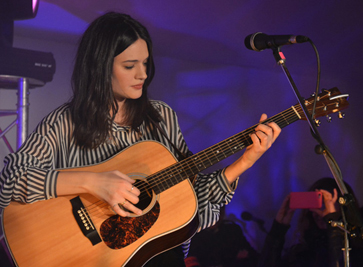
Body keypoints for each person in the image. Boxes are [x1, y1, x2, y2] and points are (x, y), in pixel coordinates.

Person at [0, 12, 281, 266]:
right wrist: (93, 181)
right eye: (130, 65)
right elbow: (10, 181)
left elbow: (188, 198)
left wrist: (244, 162)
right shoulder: (65, 122)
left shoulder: (161, 117)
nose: (143, 74)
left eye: (145, 63)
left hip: (154, 256)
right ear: (101, 67)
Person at [258, 177, 358, 267]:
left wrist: (333, 224)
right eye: (318, 203)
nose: (321, 212)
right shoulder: (301, 252)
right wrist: (279, 228)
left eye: (326, 203)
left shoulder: (358, 251)